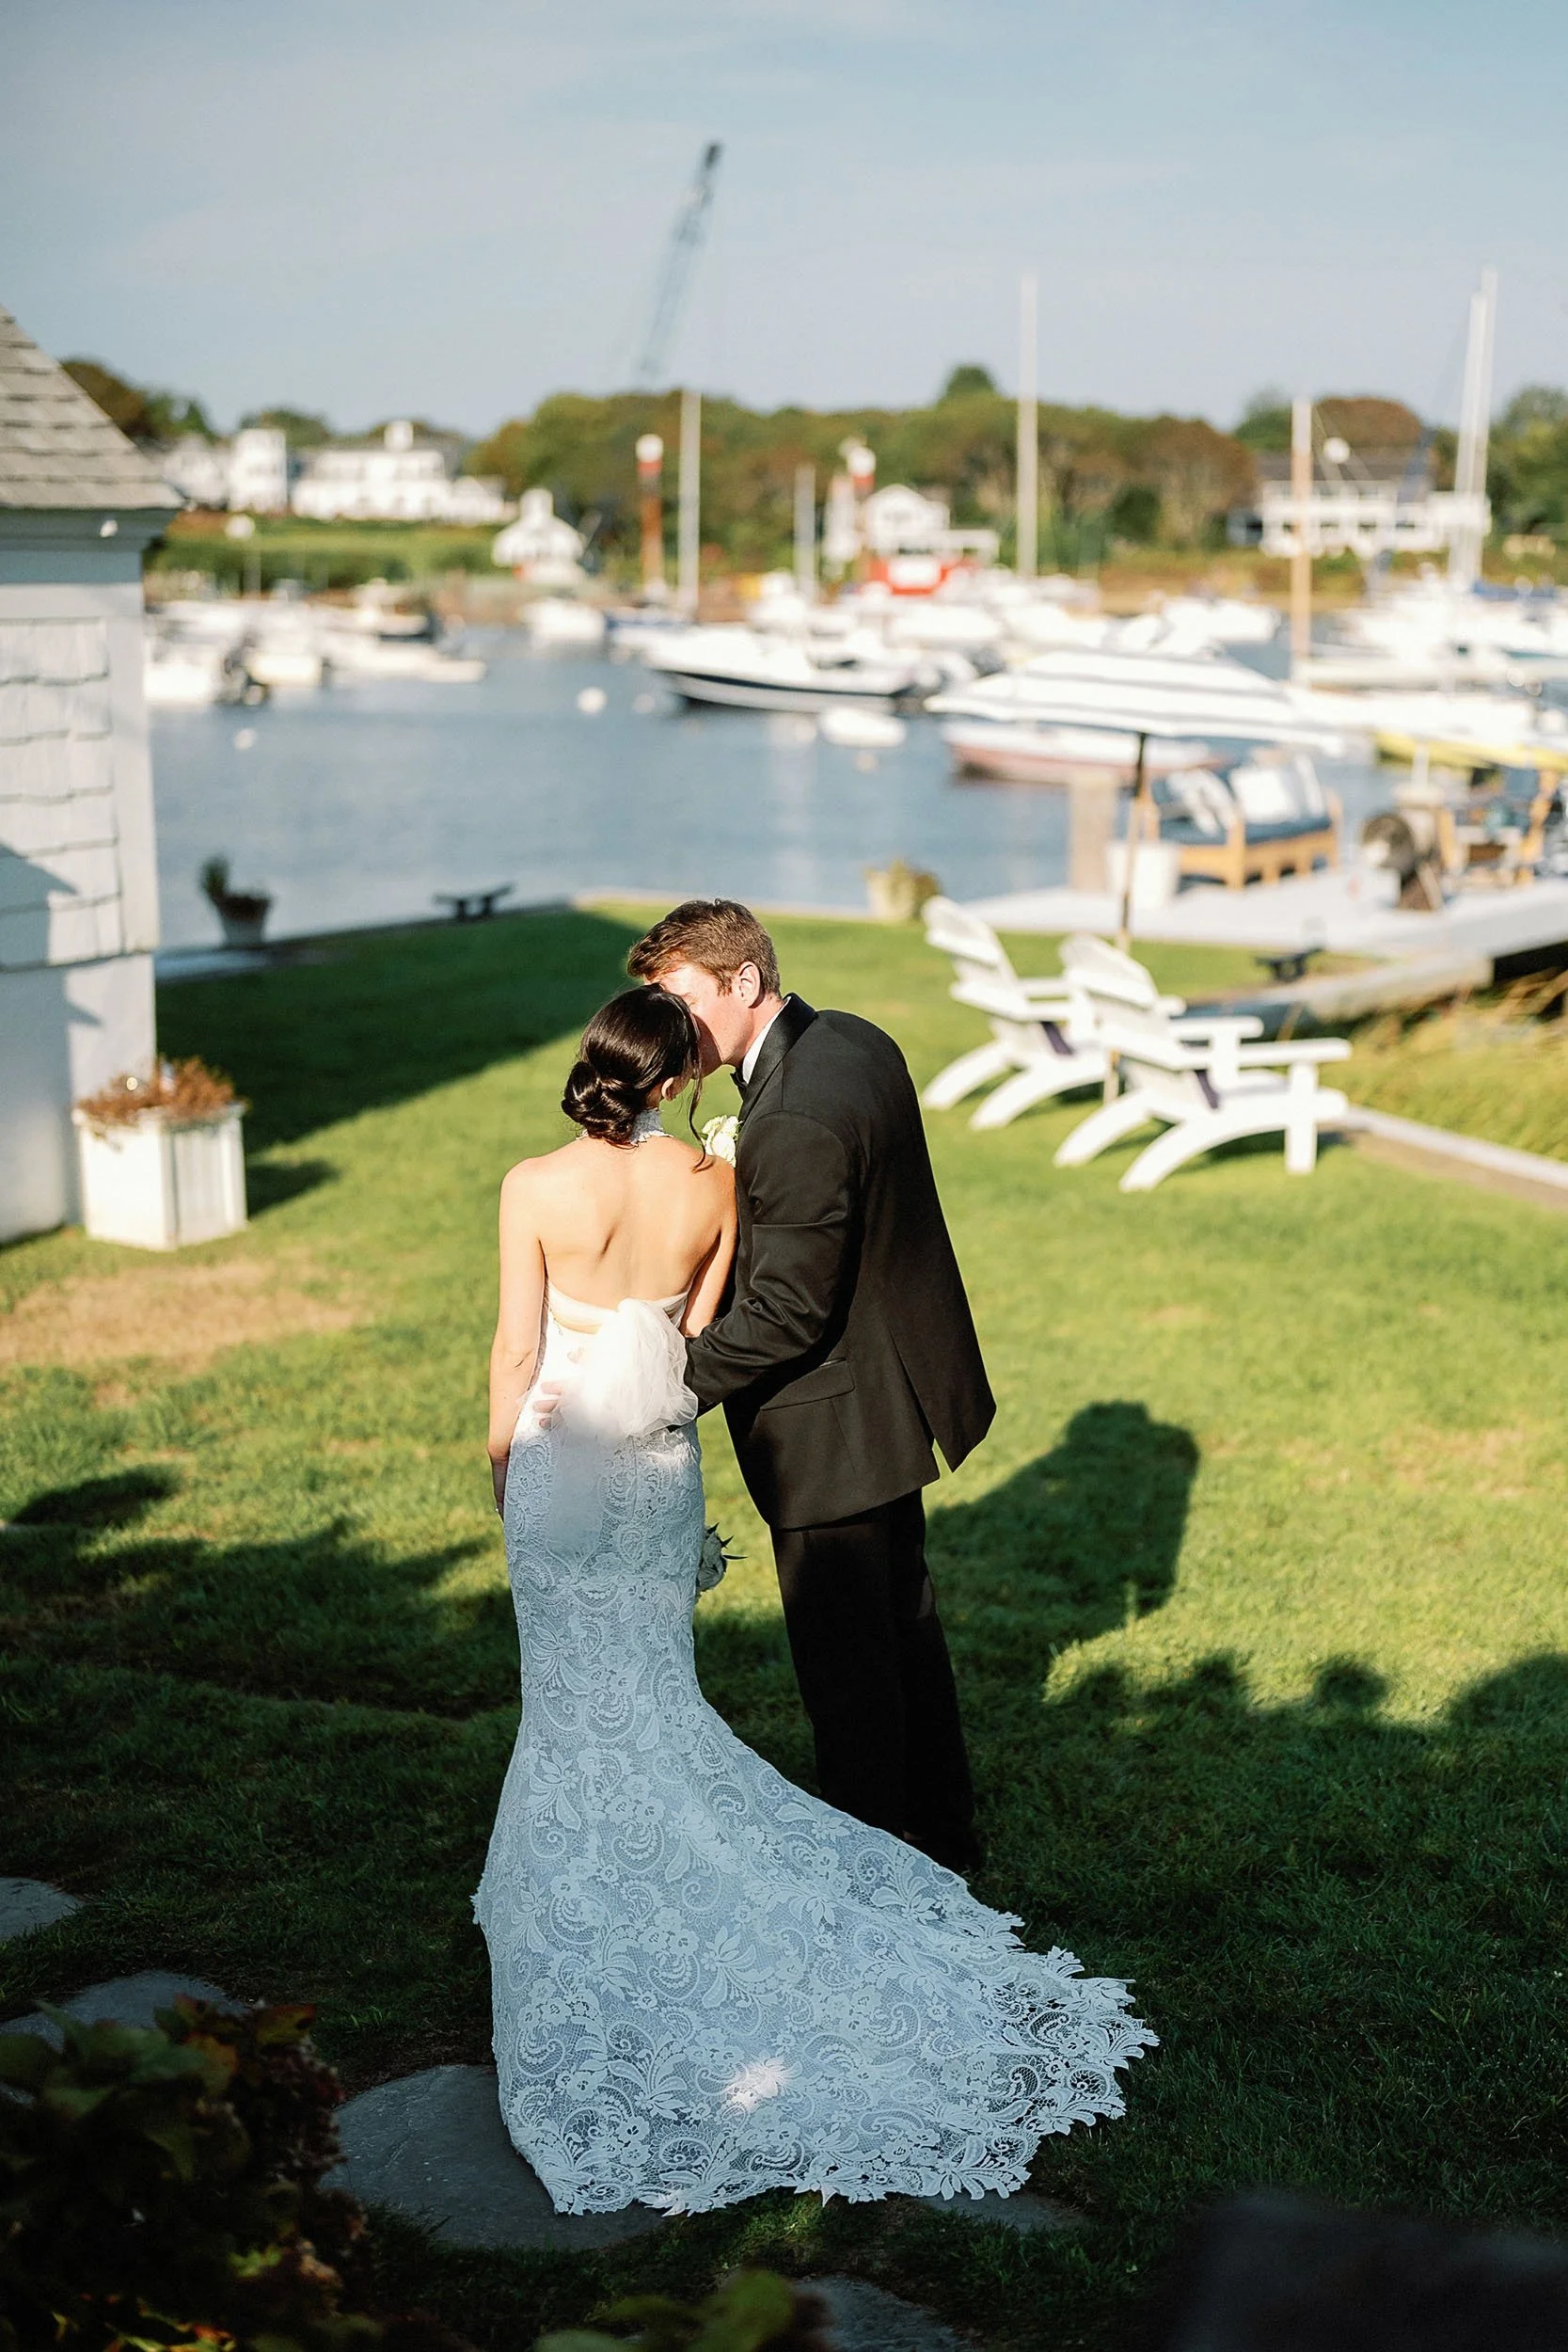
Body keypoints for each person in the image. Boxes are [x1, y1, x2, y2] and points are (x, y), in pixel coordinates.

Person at [476, 981, 1152, 2218]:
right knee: (649, 1692)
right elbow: (693, 1327)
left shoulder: (529, 1185)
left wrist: (502, 1463)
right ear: (676, 1076)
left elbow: (517, 1354)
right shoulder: (712, 1185)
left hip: (564, 1460)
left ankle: (590, 1911)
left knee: (568, 1702)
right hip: (654, 1471)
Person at [626, 898, 991, 1874]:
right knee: (903, 1632)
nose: (667, 1027)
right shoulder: (852, 1042)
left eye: (678, 1000)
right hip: (890, 1399)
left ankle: (876, 1875)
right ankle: (943, 1840)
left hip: (829, 1425)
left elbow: (786, 1311)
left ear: (743, 982)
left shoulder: (790, 1112)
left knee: (848, 1677)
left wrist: (651, 1386)